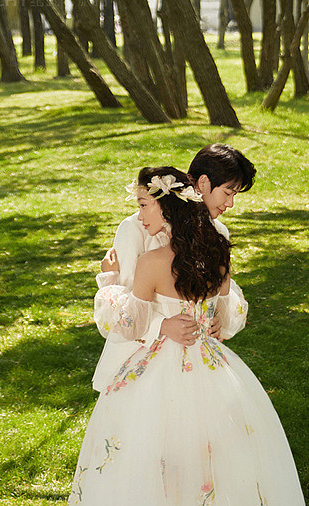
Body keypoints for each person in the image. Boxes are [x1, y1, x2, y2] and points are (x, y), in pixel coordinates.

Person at [56, 166, 309, 506]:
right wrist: (197, 324)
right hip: (214, 370)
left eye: (144, 204)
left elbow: (127, 324)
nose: (139, 213)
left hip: (158, 375)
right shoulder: (217, 254)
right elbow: (223, 315)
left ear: (165, 207)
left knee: (151, 473)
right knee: (218, 477)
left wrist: (108, 280)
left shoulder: (154, 262)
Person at [91, 144, 256, 392]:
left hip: (196, 359)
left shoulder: (218, 234)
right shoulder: (136, 227)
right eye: (228, 192)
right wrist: (162, 325)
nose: (230, 204)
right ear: (202, 183)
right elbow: (128, 304)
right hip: (142, 357)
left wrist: (218, 318)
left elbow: (218, 292)